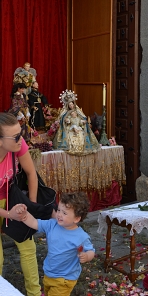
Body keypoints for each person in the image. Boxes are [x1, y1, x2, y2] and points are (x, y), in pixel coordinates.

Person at [16, 192, 95, 296]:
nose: (59, 215)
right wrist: (24, 215)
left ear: (76, 218)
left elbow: (91, 251)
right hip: (49, 273)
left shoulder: (80, 236)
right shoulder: (52, 225)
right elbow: (35, 223)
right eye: (58, 210)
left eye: (64, 213)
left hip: (65, 279)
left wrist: (87, 256)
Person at [0, 112, 41, 296]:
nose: (22, 139)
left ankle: (34, 293)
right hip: (5, 207)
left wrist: (30, 207)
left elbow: (31, 173)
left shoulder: (18, 145)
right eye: (16, 136)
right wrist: (9, 215)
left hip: (10, 196)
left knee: (28, 246)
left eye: (22, 132)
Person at [53, 90, 100, 155]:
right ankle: (72, 147)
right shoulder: (66, 113)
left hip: (78, 127)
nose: (71, 106)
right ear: (68, 105)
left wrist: (83, 122)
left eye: (72, 104)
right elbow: (63, 120)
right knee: (71, 135)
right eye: (70, 105)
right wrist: (66, 120)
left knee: (81, 134)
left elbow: (81, 118)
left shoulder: (78, 111)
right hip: (70, 128)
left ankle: (82, 147)